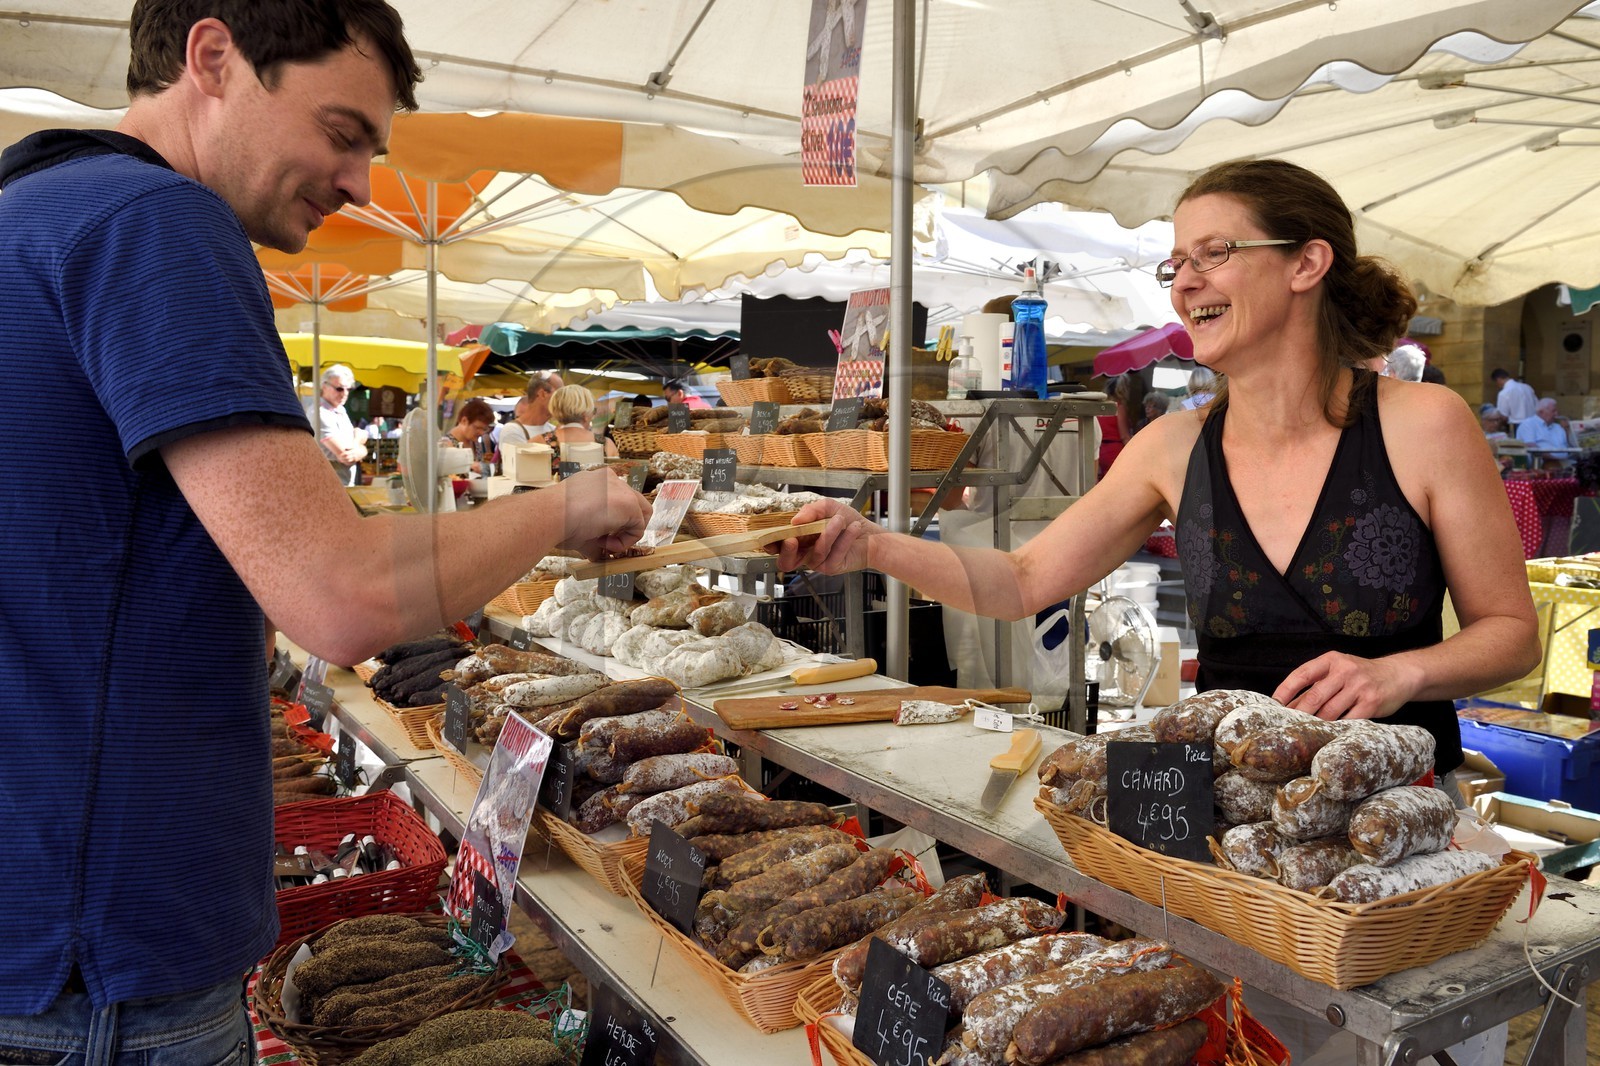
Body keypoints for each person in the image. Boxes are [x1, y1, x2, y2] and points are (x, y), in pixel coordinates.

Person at [781, 159, 1540, 1064]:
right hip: (1221, 846)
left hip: (1392, 847)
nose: (1185, 281)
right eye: (1175, 262)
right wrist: (868, 544)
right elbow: (1023, 579)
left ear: (1307, 264)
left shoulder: (1423, 423)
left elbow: (1511, 633)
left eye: (1216, 253)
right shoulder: (1173, 446)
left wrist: (1401, 671)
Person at [0, 2, 649, 1058]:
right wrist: (569, 505)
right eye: (343, 133)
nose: (358, 185)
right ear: (212, 58)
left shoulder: (29, 212)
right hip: (104, 967)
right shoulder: (154, 224)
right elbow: (342, 597)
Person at [303, 362, 368, 484]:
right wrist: (359, 440)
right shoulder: (320, 413)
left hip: (342, 484)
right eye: (339, 388)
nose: (344, 393)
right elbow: (346, 456)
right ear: (324, 386)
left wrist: (355, 444)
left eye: (348, 389)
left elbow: (350, 451)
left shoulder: (339, 409)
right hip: (329, 486)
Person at [549, 384, 620, 458]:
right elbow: (616, 468)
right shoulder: (606, 445)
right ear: (585, 414)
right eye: (593, 411)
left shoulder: (541, 441)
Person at [497, 371, 561, 451]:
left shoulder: (552, 429)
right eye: (559, 394)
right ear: (542, 394)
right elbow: (524, 462)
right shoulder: (512, 431)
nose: (562, 400)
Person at [1515, 397, 1571, 466]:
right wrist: (1554, 460)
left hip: (1564, 463)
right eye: (1553, 411)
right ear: (1541, 412)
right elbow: (1531, 447)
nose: (1556, 414)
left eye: (1557, 411)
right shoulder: (1529, 424)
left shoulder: (1558, 427)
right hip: (1542, 464)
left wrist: (1567, 430)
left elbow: (1568, 447)